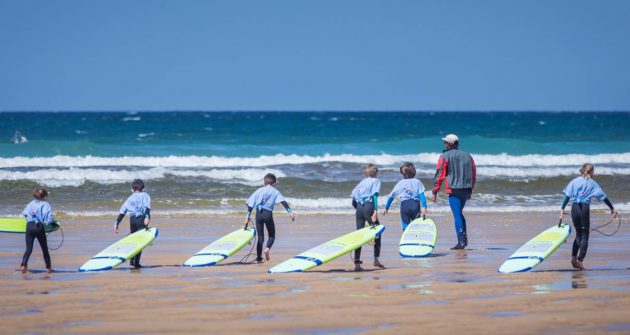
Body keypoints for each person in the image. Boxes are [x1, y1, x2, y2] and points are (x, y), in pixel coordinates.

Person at [560, 163, 618, 271]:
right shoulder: (593, 184)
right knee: (585, 236)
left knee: (578, 234)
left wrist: (562, 209)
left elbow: (567, 196)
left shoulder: (574, 181)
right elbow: (603, 197)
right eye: (593, 171)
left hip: (575, 208)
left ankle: (573, 259)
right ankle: (580, 262)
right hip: (584, 209)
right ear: (591, 171)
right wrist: (612, 209)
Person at [431, 134, 476, 250]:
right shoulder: (468, 155)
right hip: (466, 189)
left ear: (449, 144)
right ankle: (463, 240)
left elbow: (440, 175)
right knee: (459, 213)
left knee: (457, 215)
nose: (444, 144)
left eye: (445, 142)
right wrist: (471, 189)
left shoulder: (444, 156)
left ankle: (461, 242)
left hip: (454, 189)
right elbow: (473, 174)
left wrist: (435, 191)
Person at [244, 173, 295, 263]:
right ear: (274, 183)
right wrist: (290, 212)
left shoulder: (259, 190)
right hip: (268, 214)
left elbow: (250, 204)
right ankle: (267, 248)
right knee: (271, 235)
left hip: (258, 214)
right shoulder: (275, 191)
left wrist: (247, 216)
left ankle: (259, 258)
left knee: (260, 237)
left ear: (264, 182)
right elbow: (283, 202)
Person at [351, 163, 385, 271]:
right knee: (377, 232)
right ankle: (376, 260)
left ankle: (357, 263)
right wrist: (375, 210)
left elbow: (353, 201)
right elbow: (374, 195)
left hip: (359, 209)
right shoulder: (376, 181)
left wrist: (359, 209)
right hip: (369, 207)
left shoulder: (361, 182)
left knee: (359, 235)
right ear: (375, 173)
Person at [114, 179, 151, 268]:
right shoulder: (145, 195)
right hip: (142, 219)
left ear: (132, 190)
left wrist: (117, 222)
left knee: (135, 239)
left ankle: (132, 260)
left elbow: (122, 211)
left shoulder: (129, 198)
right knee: (141, 241)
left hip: (132, 220)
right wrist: (147, 217)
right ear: (143, 189)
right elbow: (147, 207)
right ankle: (136, 263)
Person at [20, 188, 57, 274]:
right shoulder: (45, 204)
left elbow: (24, 213)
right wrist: (54, 225)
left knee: (28, 249)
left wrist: (31, 218)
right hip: (39, 227)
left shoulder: (30, 203)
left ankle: (23, 265)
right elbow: (49, 218)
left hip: (29, 226)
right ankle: (48, 268)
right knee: (44, 249)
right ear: (44, 197)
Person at [382, 162, 428, 231]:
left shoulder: (400, 183)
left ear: (404, 174)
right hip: (415, 205)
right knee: (417, 225)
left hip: (404, 206)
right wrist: (424, 207)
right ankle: (416, 239)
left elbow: (391, 196)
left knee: (405, 225)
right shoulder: (417, 182)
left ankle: (406, 239)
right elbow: (422, 195)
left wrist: (386, 207)